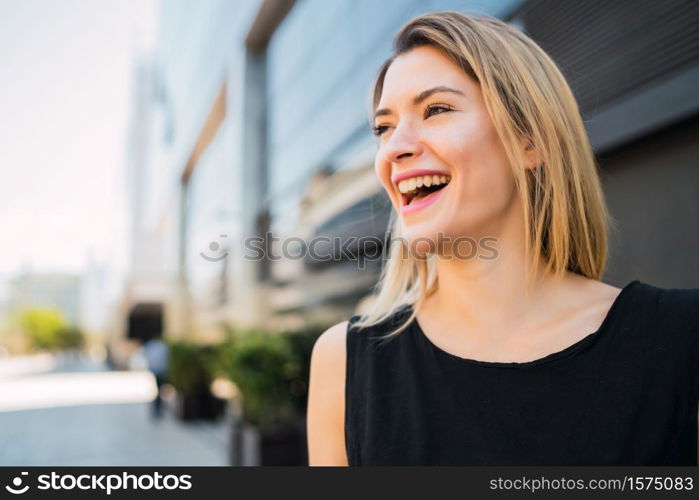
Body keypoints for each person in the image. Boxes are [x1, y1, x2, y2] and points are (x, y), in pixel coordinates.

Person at [306, 11, 699, 466]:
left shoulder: (682, 340)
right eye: (384, 127)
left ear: (529, 140)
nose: (393, 149)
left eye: (435, 110)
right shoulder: (344, 363)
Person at [143, 336, 169, 419]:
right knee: (159, 390)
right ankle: (157, 408)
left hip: (158, 370)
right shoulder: (160, 346)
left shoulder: (155, 346)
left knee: (160, 390)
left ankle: (158, 407)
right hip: (159, 371)